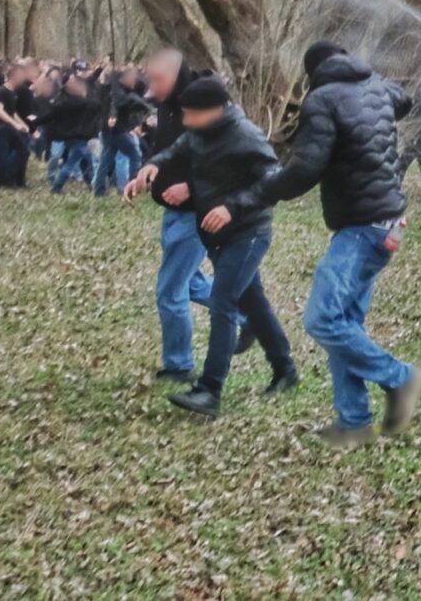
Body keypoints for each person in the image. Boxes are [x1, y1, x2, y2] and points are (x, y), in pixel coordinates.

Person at [233, 42, 421, 447]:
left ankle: (401, 379)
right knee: (345, 322)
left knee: (322, 320)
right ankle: (354, 422)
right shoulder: (377, 86)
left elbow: (305, 168)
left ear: (312, 73)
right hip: (393, 222)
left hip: (363, 227)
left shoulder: (321, 100)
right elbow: (404, 100)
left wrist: (257, 194)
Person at [125, 77, 298, 417]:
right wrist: (152, 166)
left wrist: (232, 207)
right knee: (255, 304)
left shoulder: (246, 136)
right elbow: (178, 150)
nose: (186, 121)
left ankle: (209, 390)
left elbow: (274, 181)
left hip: (248, 233)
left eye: (192, 115)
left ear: (215, 111)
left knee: (223, 302)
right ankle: (285, 370)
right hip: (216, 236)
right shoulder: (200, 133)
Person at [94, 67, 148, 197]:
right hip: (117, 130)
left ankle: (99, 190)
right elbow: (118, 104)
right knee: (135, 155)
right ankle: (132, 186)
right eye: (131, 78)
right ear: (123, 79)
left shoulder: (111, 89)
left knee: (106, 159)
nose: (134, 81)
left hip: (109, 130)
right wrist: (140, 104)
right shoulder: (118, 92)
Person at [43, 74, 101, 193]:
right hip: (77, 136)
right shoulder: (72, 101)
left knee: (85, 161)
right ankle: (57, 187)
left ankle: (91, 183)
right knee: (72, 163)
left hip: (78, 136)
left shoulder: (74, 100)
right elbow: (95, 107)